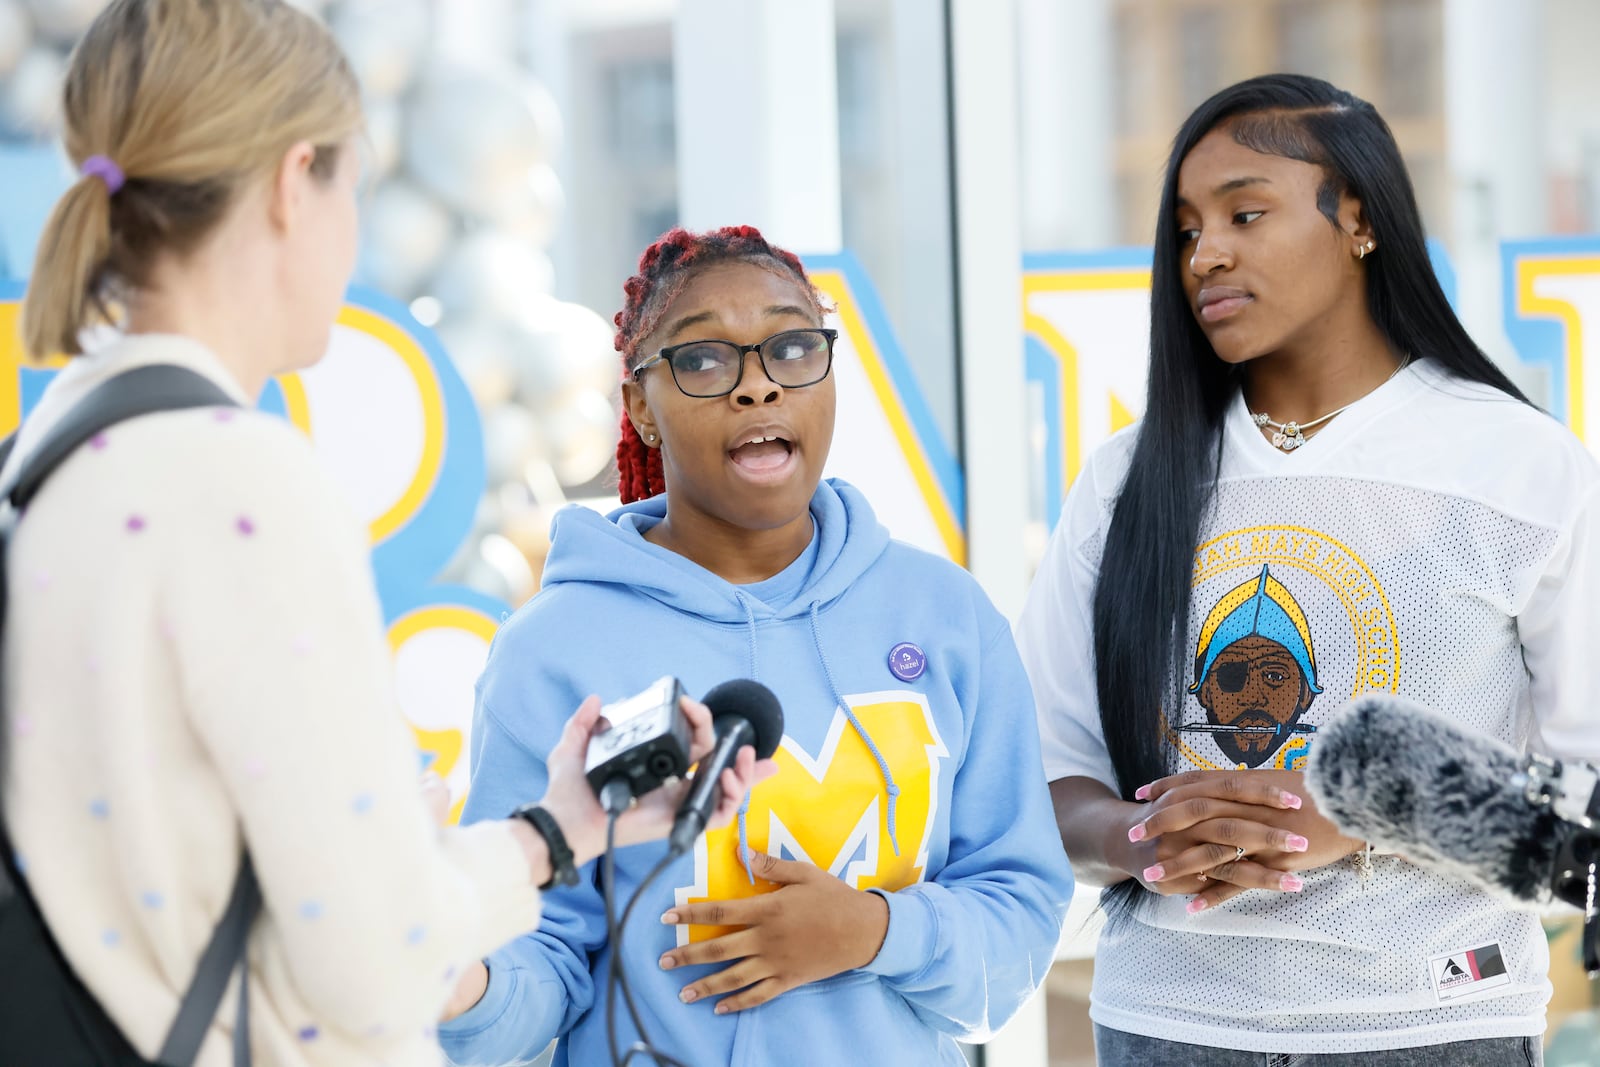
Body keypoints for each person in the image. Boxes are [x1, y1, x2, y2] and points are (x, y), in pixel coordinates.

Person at [2, 3, 763, 1065]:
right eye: (351, 186)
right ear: (289, 180)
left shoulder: (51, 452)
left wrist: (555, 825)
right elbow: (374, 963)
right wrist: (501, 848)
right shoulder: (241, 483)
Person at [1018, 73, 1600, 1066]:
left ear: (1360, 219)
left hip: (1434, 1026)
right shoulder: (1123, 481)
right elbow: (1041, 776)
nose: (1207, 253)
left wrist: (1353, 811)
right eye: (1188, 228)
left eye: (1245, 212)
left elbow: (1583, 806)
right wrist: (1145, 836)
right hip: (1166, 1027)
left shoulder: (1522, 467)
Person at [437, 225, 1073, 1067]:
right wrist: (457, 990)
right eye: (704, 360)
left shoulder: (945, 615)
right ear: (638, 405)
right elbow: (542, 957)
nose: (758, 388)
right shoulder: (551, 649)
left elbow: (1020, 914)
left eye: (793, 346)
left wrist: (873, 931)